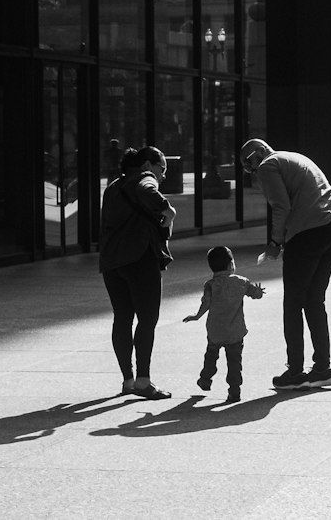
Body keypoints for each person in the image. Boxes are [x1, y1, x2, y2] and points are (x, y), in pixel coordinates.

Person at [240, 137, 331, 390]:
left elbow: (281, 206)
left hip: (307, 233)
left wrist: (275, 243)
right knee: (314, 300)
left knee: (293, 303)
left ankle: (295, 371)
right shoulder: (294, 157)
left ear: (255, 157)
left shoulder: (268, 165)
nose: (255, 174)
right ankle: (322, 368)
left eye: (250, 168)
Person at [99, 144, 176, 398]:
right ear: (147, 165)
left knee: (122, 318)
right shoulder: (144, 178)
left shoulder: (112, 187)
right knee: (147, 319)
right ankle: (144, 381)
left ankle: (128, 380)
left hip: (112, 262)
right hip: (140, 258)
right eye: (161, 168)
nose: (163, 175)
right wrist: (168, 210)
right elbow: (148, 189)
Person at [183, 244, 264, 404]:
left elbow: (206, 304)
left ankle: (205, 379)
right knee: (234, 362)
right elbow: (256, 295)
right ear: (231, 264)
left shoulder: (210, 285)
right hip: (235, 331)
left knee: (211, 357)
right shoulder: (241, 282)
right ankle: (234, 391)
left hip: (215, 331)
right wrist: (259, 291)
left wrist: (196, 316)